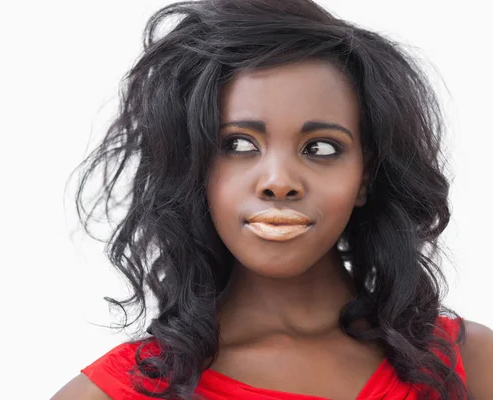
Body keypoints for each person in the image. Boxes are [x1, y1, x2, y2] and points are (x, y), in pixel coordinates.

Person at [51, 0, 493, 398]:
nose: (279, 182)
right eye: (239, 145)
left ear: (365, 177)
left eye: (321, 148)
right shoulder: (117, 393)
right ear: (193, 169)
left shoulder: (469, 364)